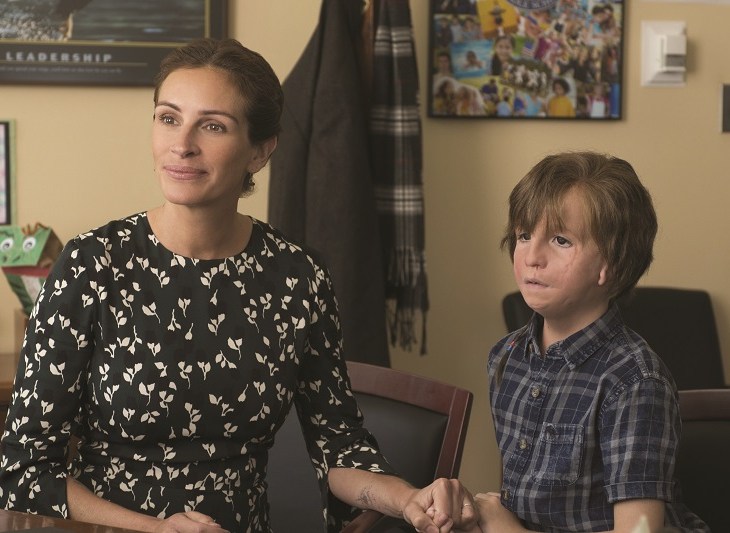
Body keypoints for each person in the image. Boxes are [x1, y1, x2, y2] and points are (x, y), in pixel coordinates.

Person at [0, 38, 478, 533]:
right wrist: (155, 529)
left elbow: (339, 445)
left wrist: (408, 498)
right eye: (168, 118)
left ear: (260, 150)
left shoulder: (297, 277)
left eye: (213, 126)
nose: (182, 144)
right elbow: (26, 469)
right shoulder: (91, 264)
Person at [470, 152, 709, 532]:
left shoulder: (636, 382)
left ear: (609, 264)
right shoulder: (506, 356)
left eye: (560, 240)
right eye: (524, 235)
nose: (532, 257)